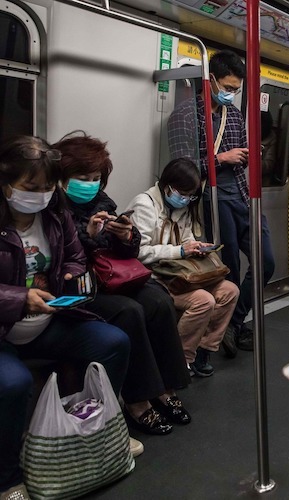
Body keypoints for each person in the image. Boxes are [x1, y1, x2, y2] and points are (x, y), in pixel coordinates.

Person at [0, 136, 130, 500]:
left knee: (113, 342)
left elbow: (74, 256)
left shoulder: (56, 216)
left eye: (45, 187)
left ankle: (96, 433)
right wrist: (20, 297)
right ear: (6, 184)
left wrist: (70, 276)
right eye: (29, 188)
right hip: (5, 331)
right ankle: (7, 478)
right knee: (12, 382)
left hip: (45, 323)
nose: (39, 195)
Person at [55, 133, 192, 435]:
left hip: (110, 278)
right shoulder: (54, 208)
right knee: (129, 311)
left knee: (158, 300)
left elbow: (128, 252)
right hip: (78, 288)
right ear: (63, 176)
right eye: (82, 176)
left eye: (95, 177)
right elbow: (63, 255)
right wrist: (89, 237)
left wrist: (126, 236)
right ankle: (137, 401)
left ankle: (164, 389)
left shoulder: (103, 201)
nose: (89, 183)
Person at [167, 49, 274, 356]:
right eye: (227, 88)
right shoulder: (185, 116)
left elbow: (240, 155)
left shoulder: (235, 115)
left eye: (235, 90)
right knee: (229, 270)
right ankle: (225, 328)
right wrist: (218, 159)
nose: (231, 95)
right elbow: (179, 171)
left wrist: (250, 156)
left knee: (266, 261)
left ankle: (234, 323)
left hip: (242, 195)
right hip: (212, 199)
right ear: (210, 79)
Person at [127, 158, 239, 378]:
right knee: (203, 301)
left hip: (178, 275)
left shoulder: (182, 208)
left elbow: (186, 240)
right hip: (153, 278)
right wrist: (179, 251)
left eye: (191, 195)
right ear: (167, 186)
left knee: (229, 291)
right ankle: (179, 359)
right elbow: (138, 251)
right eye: (183, 193)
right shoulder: (145, 205)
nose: (186, 199)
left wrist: (196, 247)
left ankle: (204, 350)